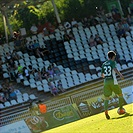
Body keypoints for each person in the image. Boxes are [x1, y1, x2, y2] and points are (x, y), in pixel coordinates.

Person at [101, 51, 126, 119]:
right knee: (120, 94)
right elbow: (114, 69)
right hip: (113, 81)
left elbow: (102, 75)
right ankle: (121, 109)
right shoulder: (112, 62)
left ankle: (106, 111)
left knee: (106, 98)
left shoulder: (104, 64)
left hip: (106, 82)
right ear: (113, 57)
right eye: (114, 57)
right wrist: (120, 75)